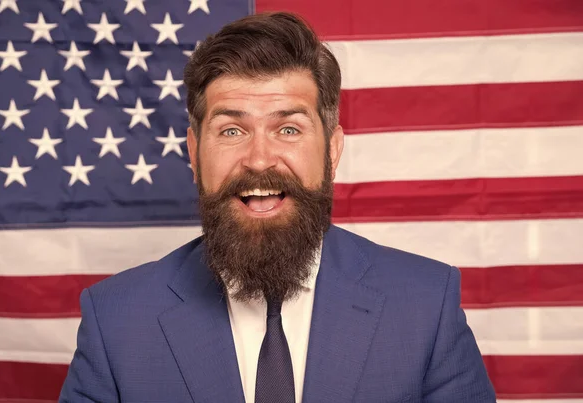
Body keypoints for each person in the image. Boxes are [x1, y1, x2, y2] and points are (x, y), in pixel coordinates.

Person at [59, 12, 496, 403]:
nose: (259, 159)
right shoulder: (115, 320)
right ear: (194, 153)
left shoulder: (425, 304)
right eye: (231, 131)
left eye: (288, 128)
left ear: (333, 149)